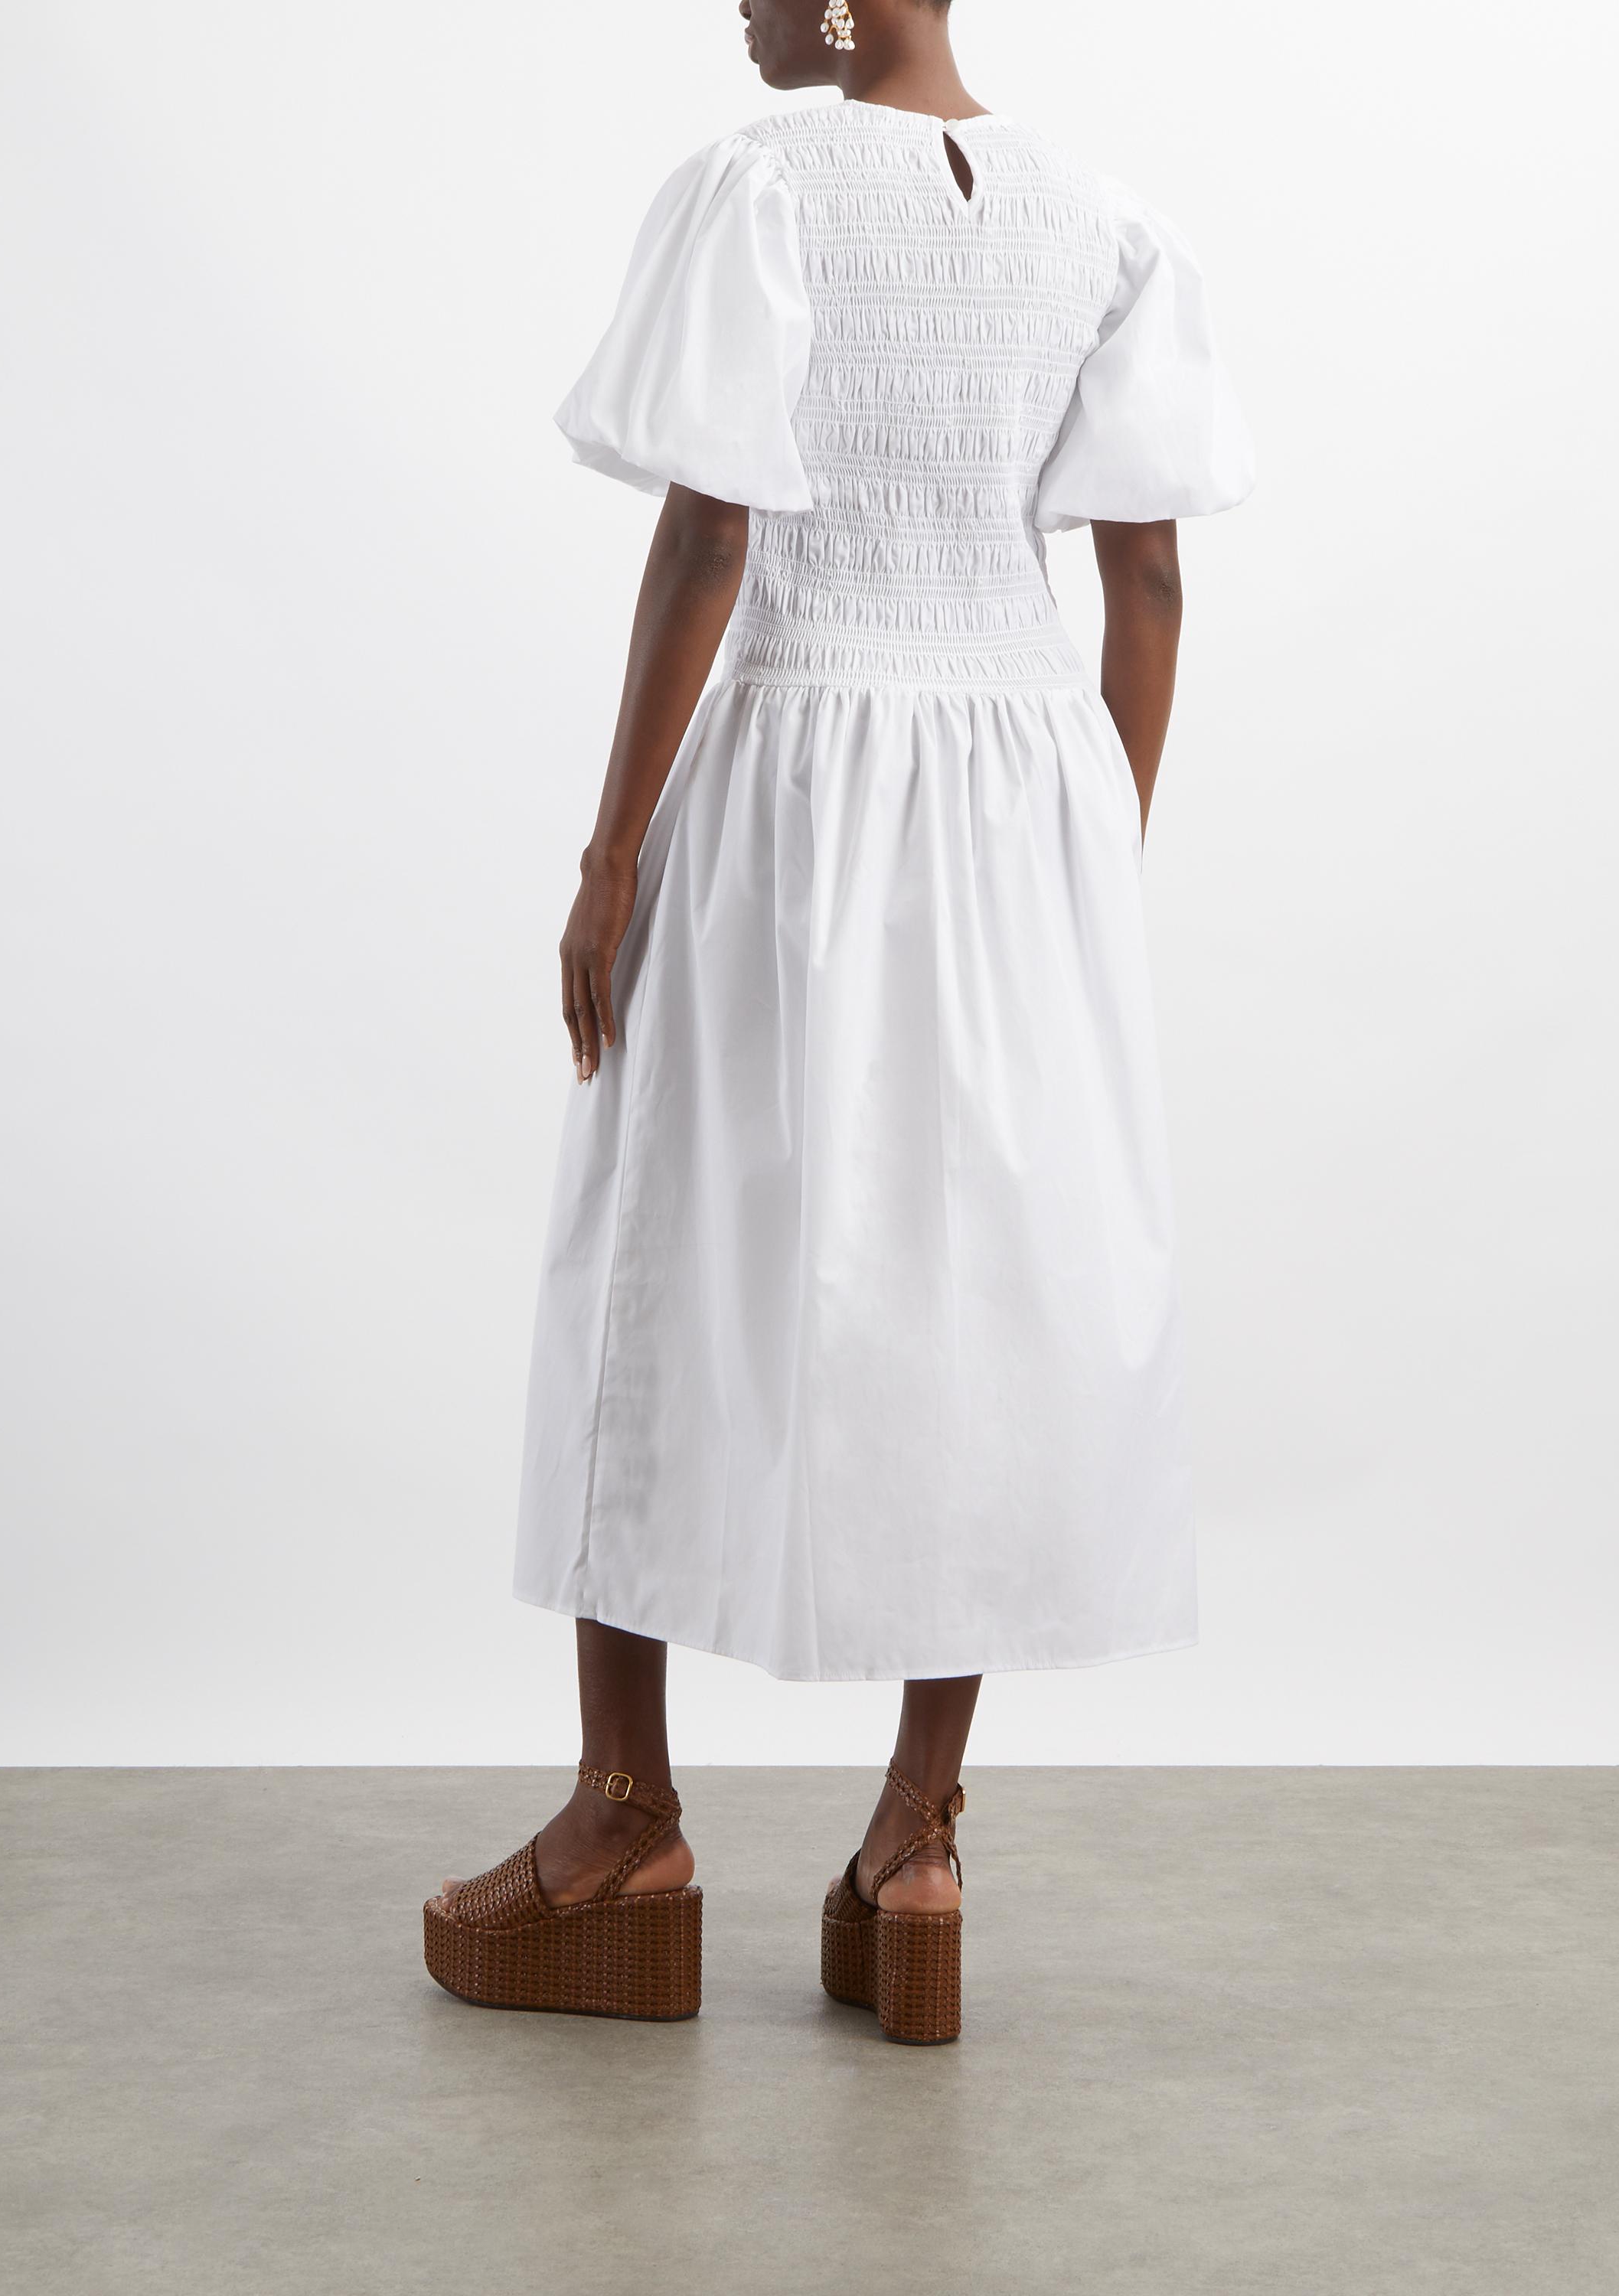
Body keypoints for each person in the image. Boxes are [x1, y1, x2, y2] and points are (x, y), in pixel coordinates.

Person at [425, 0, 1252, 2043]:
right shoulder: (1107, 223)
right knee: (970, 1305)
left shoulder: (760, 188)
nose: (739, 1)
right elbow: (1144, 584)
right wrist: (1091, 861)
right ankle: (915, 1846)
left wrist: (608, 855)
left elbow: (712, 531)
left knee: (656, 1250)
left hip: (795, 780)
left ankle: (624, 1824)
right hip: (1023, 792)